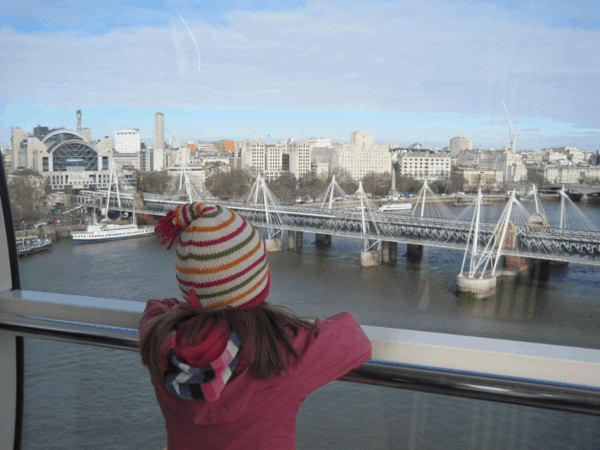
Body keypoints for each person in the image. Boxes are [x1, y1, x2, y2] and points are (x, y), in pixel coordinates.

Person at [139, 203, 372, 450]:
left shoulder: (159, 338)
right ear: (261, 278)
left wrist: (200, 300)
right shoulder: (281, 350)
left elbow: (158, 307)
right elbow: (355, 339)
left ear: (189, 289)